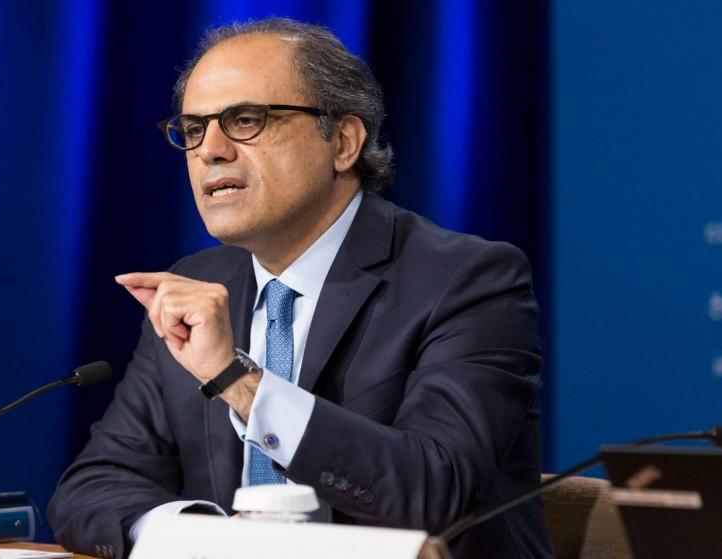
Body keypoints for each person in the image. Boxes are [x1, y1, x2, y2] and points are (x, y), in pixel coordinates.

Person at [48, 18, 551, 559]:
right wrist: (206, 538)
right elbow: (92, 488)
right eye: (193, 129)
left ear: (343, 142)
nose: (209, 150)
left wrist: (238, 381)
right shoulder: (200, 286)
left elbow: (435, 492)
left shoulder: (467, 279)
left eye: (245, 120)